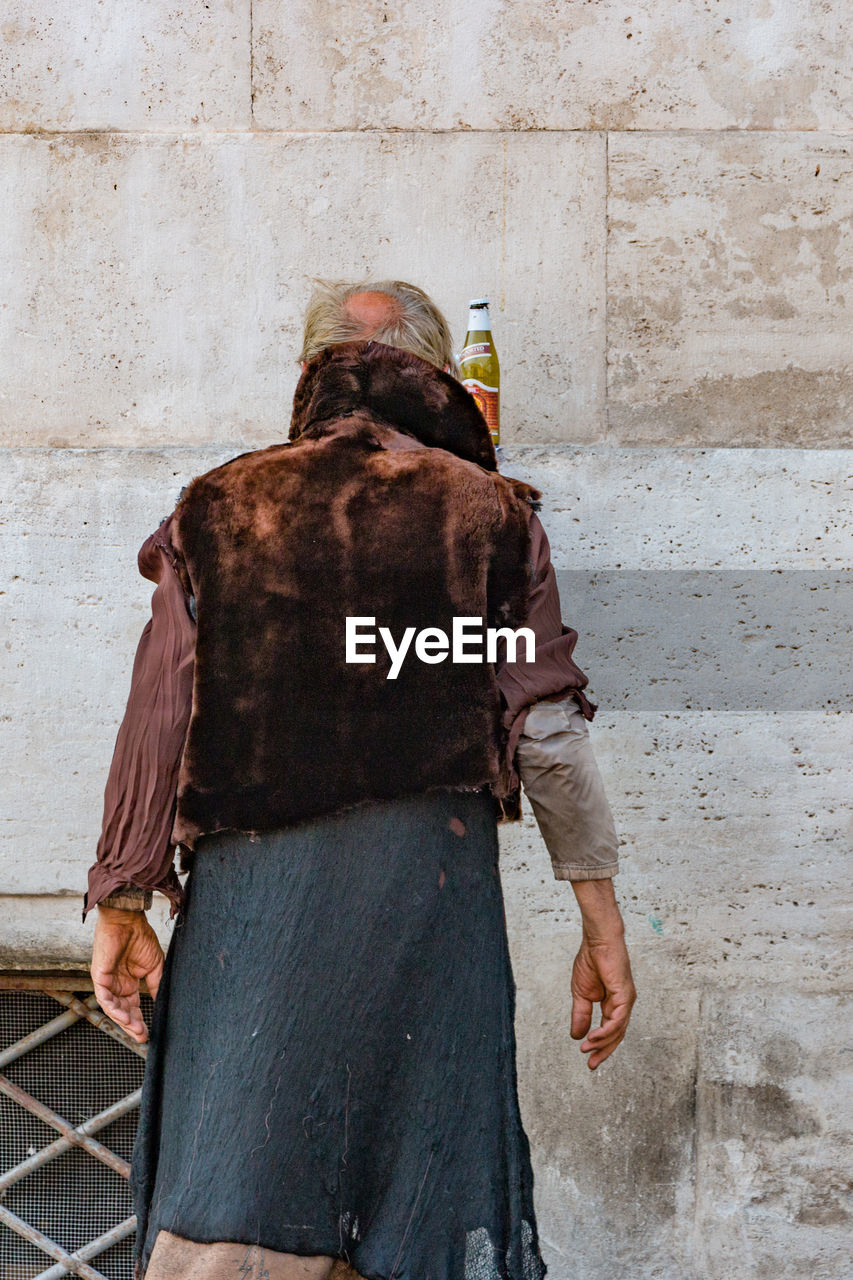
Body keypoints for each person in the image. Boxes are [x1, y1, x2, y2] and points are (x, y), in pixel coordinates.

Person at [84, 279, 636, 1280]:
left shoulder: (220, 506)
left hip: (258, 904)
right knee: (420, 1186)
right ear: (439, 377)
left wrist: (122, 897)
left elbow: (159, 711)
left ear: (309, 372)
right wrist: (600, 919)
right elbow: (545, 730)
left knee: (238, 1186)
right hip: (427, 896)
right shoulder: (489, 512)